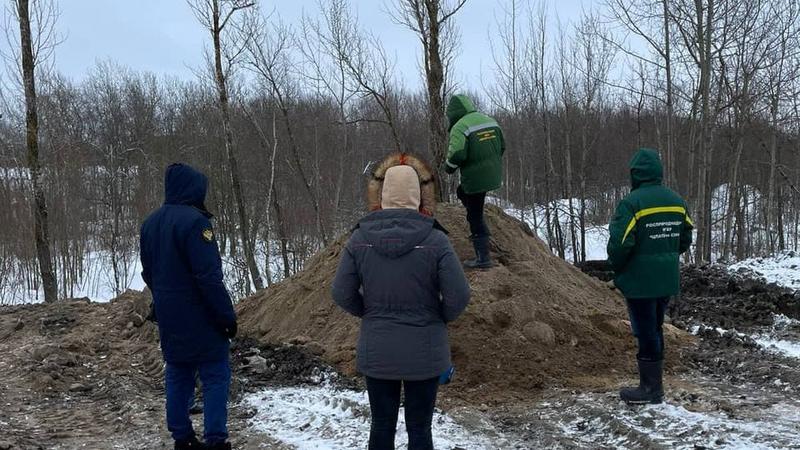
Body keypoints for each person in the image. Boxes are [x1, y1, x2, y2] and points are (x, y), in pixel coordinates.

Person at [333, 153, 471, 450]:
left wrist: (371, 313)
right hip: (425, 351)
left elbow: (341, 292)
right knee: (420, 429)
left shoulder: (359, 238)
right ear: (418, 195)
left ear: (382, 195)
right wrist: (438, 317)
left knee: (381, 426)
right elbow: (459, 296)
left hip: (378, 350)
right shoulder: (436, 240)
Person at [140, 163, 237, 450]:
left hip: (169, 315)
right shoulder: (196, 223)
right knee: (215, 374)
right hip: (201, 316)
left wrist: (164, 300)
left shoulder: (150, 223)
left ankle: (182, 437)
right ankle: (216, 439)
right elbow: (208, 277)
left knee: (178, 372)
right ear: (194, 189)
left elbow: (148, 273)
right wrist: (226, 316)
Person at [607, 148, 693, 405]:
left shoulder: (632, 203)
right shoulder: (677, 201)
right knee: (655, 328)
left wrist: (618, 268)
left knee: (646, 331)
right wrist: (666, 255)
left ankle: (650, 389)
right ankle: (654, 385)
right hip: (666, 278)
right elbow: (685, 238)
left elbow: (620, 245)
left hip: (640, 281)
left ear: (635, 175)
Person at [444, 94, 505, 269]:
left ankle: (483, 258)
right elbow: (502, 145)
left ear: (454, 113)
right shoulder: (489, 120)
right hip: (492, 174)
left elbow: (457, 154)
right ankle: (482, 233)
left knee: (474, 215)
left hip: (474, 178)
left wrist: (448, 167)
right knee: (462, 193)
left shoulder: (460, 126)